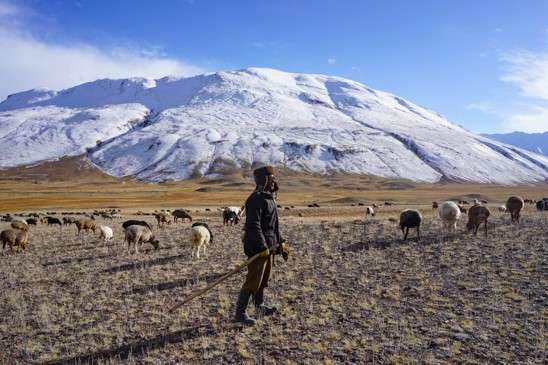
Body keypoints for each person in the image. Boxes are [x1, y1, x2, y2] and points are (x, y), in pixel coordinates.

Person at [234, 165, 282, 325]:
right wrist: (262, 247)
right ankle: (240, 313)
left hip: (269, 246)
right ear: (263, 180)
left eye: (273, 177)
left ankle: (260, 307)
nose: (273, 181)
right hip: (257, 247)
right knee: (253, 280)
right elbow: (253, 225)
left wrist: (279, 243)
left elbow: (273, 226)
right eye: (270, 178)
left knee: (264, 279)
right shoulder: (255, 199)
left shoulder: (269, 198)